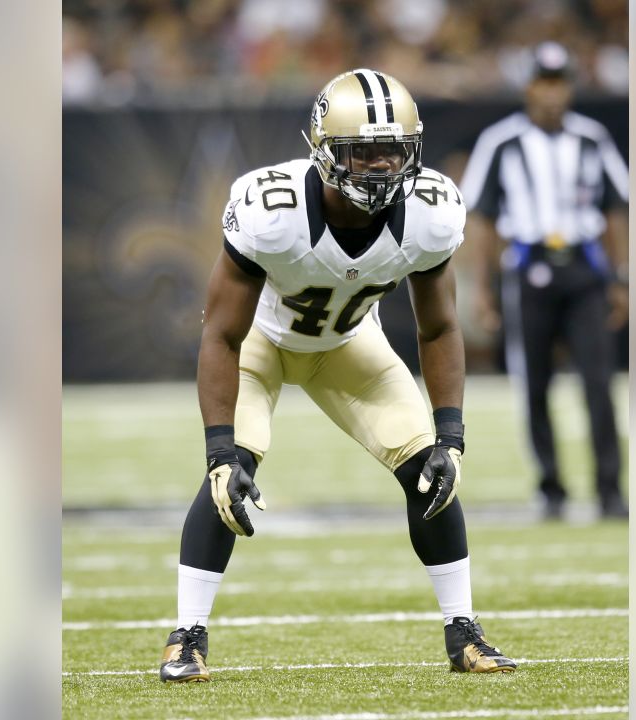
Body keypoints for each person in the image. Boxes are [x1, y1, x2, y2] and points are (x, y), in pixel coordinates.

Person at [158, 69, 517, 683]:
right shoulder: (270, 210)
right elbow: (220, 334)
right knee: (231, 477)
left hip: (349, 347)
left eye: (392, 153)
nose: (379, 168)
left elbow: (439, 328)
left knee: (430, 469)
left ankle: (464, 632)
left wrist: (451, 435)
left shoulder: (431, 213)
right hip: (260, 344)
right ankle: (186, 637)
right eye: (362, 152)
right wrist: (220, 448)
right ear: (323, 150)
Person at [461, 42, 630, 521]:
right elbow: (486, 220)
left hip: (583, 270)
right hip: (527, 270)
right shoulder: (501, 142)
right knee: (533, 384)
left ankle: (609, 489)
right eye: (543, 82)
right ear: (529, 87)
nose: (552, 93)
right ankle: (551, 489)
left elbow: (616, 209)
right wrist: (485, 289)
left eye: (559, 82)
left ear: (570, 87)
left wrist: (621, 278)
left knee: (598, 383)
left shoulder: (592, 138)